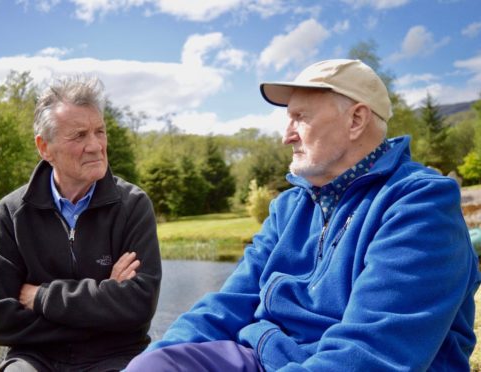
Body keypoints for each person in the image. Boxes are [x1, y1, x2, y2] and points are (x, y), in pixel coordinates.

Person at [125, 59, 480, 371]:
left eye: (300, 118)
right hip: (264, 359)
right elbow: (231, 302)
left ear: (356, 119)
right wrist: (165, 351)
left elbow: (371, 354)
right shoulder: (289, 207)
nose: (286, 136)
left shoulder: (419, 204)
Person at [0, 75, 162, 371]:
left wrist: (40, 297)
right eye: (79, 136)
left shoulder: (133, 205)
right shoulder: (10, 214)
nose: (95, 146)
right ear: (45, 148)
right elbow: (1, 323)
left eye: (99, 132)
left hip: (116, 355)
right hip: (35, 358)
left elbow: (138, 306)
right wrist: (104, 304)